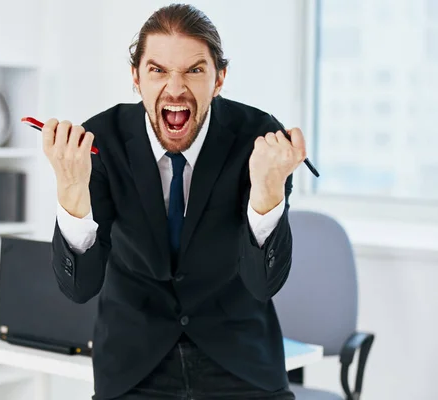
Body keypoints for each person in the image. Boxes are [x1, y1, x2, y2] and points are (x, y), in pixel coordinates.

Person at [42, 4, 306, 400]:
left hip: (241, 363)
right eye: (158, 70)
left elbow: (263, 283)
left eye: (194, 70)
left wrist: (267, 195)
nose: (176, 87)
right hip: (133, 366)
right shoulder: (99, 142)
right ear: (136, 78)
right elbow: (80, 288)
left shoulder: (260, 139)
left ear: (219, 79)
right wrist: (71, 192)